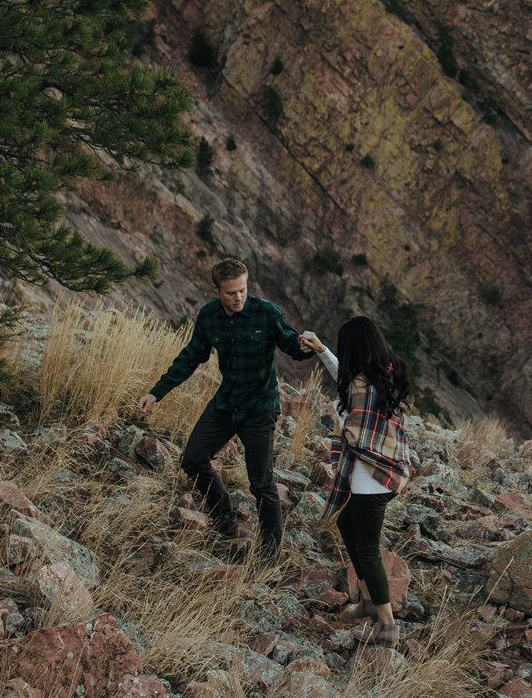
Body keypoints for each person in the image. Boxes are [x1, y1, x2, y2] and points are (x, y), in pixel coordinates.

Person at [138, 258, 317, 557]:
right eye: (231, 292)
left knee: (261, 484)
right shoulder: (208, 316)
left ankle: (269, 555)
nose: (238, 298)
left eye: (243, 290)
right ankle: (224, 518)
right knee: (193, 460)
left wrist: (305, 345)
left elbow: (291, 345)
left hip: (260, 407)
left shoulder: (267, 312)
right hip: (226, 403)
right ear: (216, 289)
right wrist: (156, 393)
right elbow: (190, 358)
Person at [309, 315, 413, 647]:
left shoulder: (364, 387)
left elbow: (354, 428)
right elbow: (346, 377)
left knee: (367, 549)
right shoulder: (380, 375)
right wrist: (322, 350)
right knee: (346, 525)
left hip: (372, 481)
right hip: (378, 473)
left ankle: (386, 626)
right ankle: (368, 600)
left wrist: (341, 414)